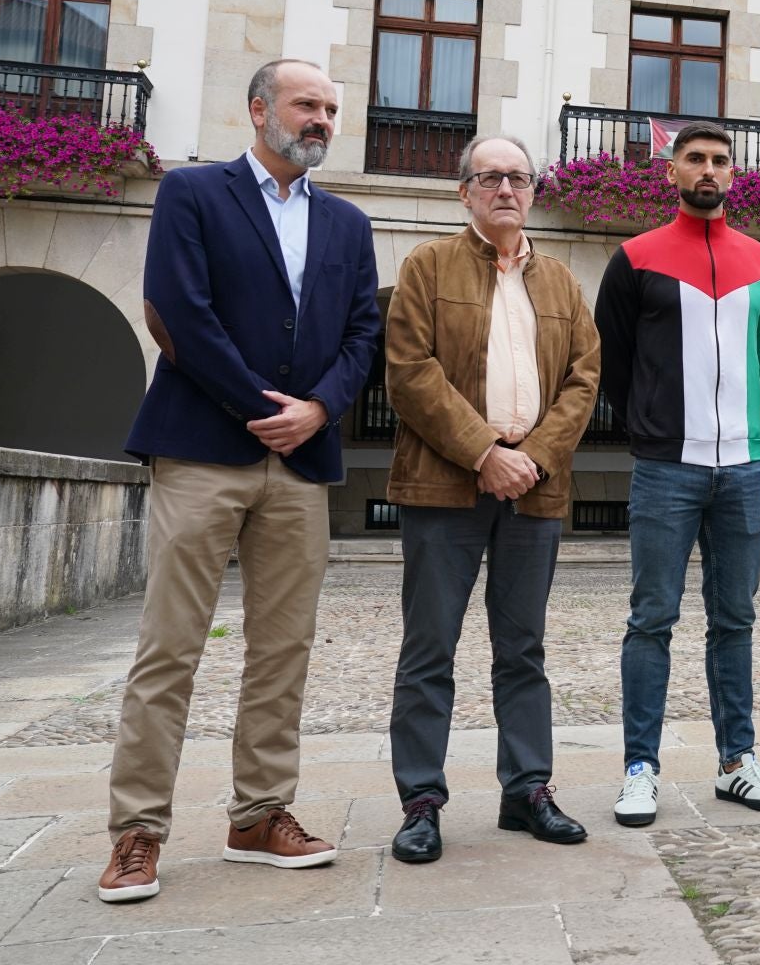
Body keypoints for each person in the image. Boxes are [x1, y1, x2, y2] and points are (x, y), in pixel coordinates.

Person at [102, 59, 379, 903]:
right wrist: (266, 405)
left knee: (283, 650)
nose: (322, 118)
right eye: (307, 104)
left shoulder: (347, 222)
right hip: (201, 451)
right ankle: (137, 834)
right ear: (258, 109)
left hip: (300, 465)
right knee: (170, 649)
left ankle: (259, 815)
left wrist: (320, 411)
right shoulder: (193, 193)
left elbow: (365, 333)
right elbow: (178, 308)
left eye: (331, 108)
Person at [382, 135, 602, 862]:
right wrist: (483, 452)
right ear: (465, 192)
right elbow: (410, 373)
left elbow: (583, 381)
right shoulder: (427, 265)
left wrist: (530, 460)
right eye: (490, 178)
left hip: (534, 493)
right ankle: (421, 800)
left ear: (533, 191)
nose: (506, 188)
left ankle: (527, 789)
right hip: (445, 485)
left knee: (523, 649)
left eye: (518, 178)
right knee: (429, 647)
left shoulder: (564, 282)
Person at [594, 122, 760, 827]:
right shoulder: (635, 258)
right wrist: (653, 425)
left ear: (733, 175)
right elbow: (613, 361)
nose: (707, 170)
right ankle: (639, 768)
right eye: (694, 159)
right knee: (652, 620)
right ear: (671, 170)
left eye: (718, 160)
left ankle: (737, 760)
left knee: (734, 620)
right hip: (665, 469)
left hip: (741, 467)